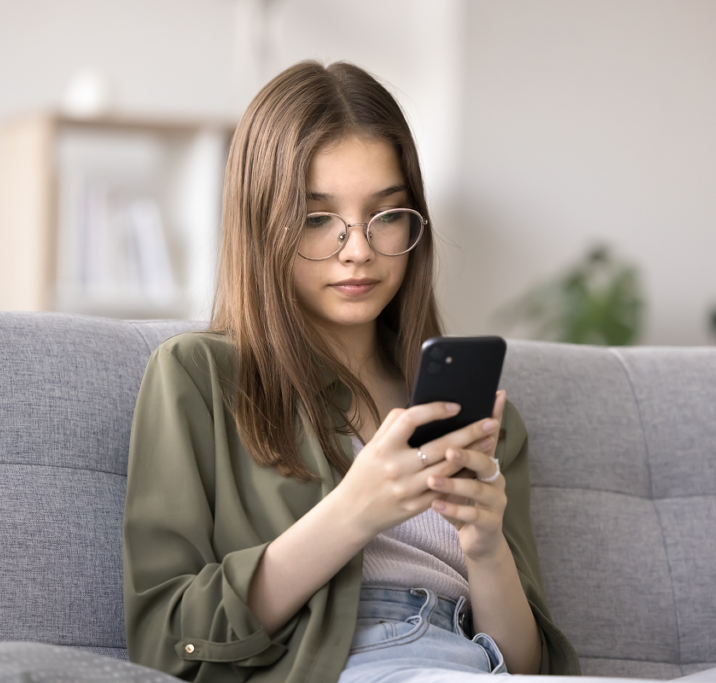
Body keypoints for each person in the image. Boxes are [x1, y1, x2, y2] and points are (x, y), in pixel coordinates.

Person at [122, 60, 581, 683]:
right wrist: (352, 513)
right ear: (261, 225)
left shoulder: (478, 415)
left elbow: (528, 667)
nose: (359, 250)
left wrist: (485, 546)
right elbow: (166, 641)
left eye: (387, 215)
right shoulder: (197, 377)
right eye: (318, 220)